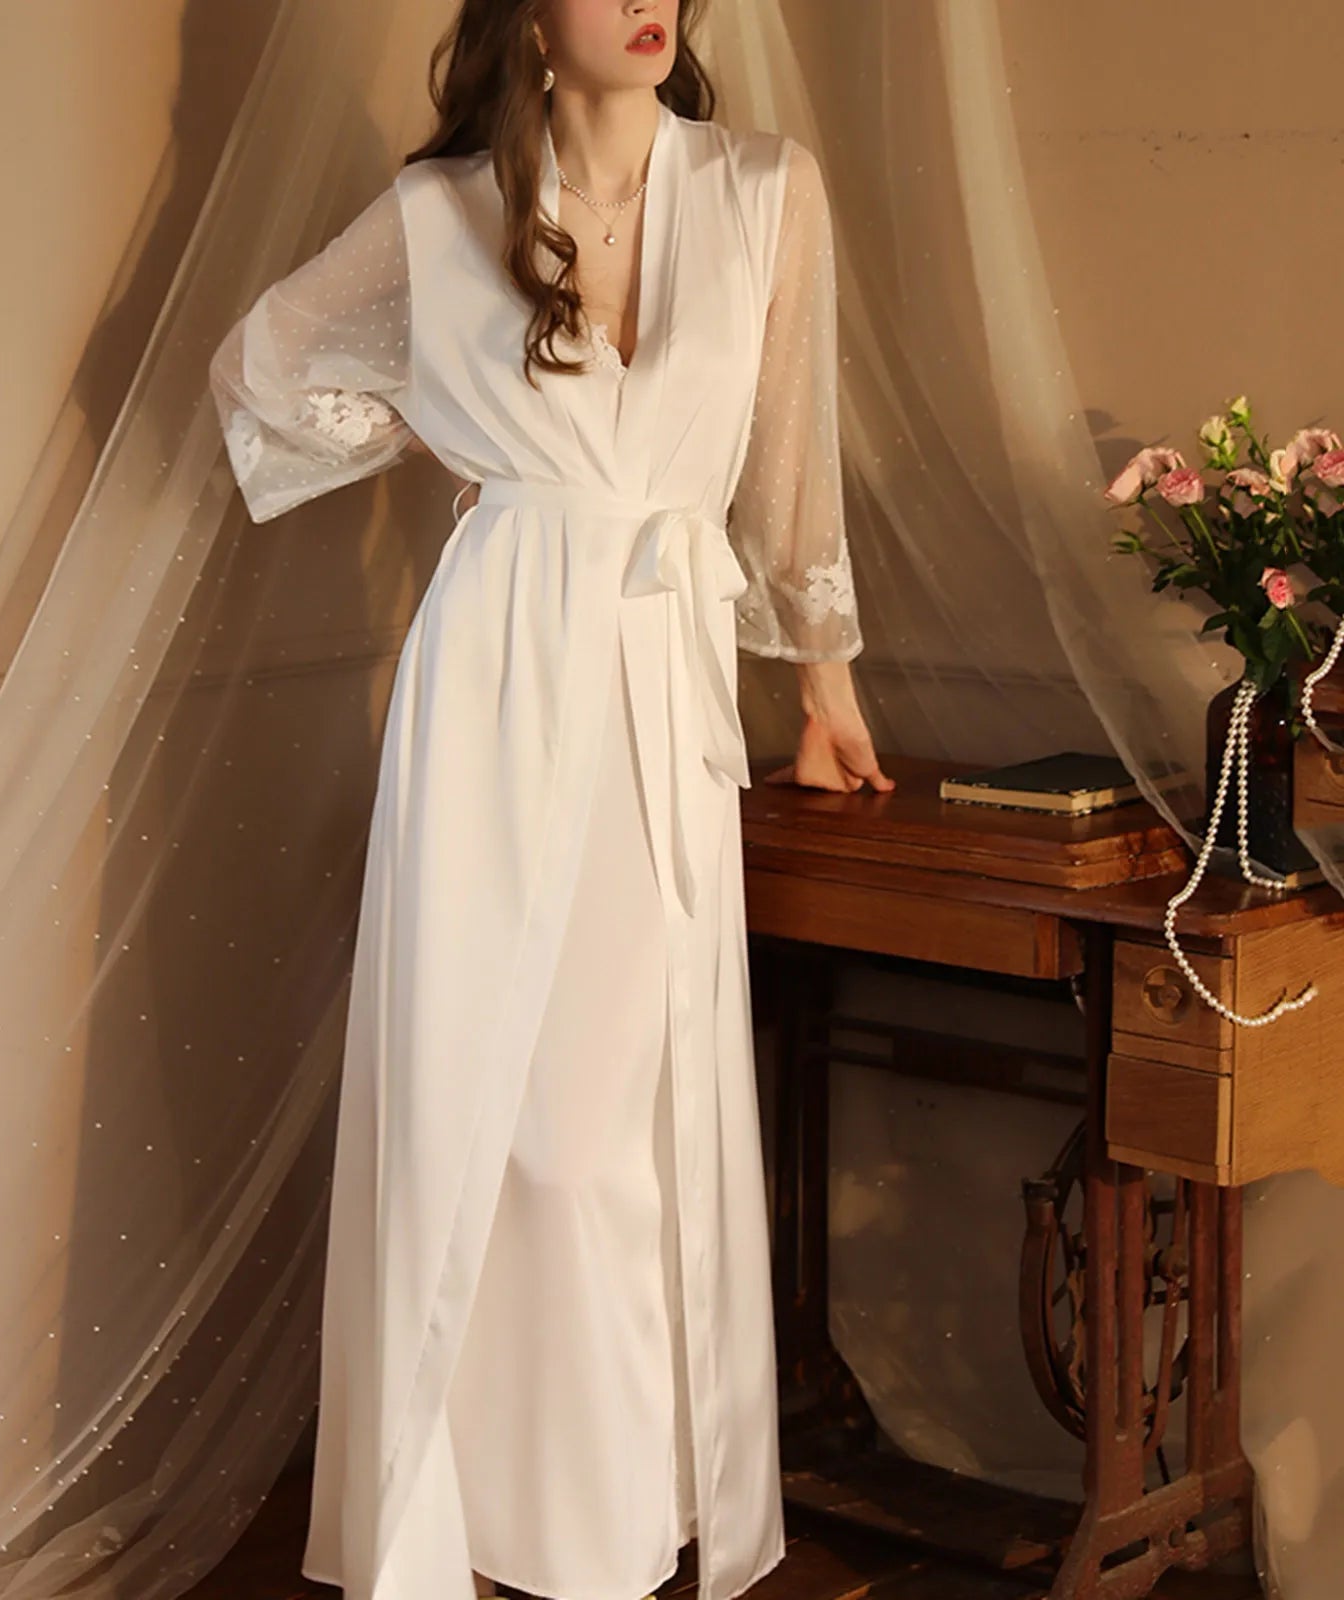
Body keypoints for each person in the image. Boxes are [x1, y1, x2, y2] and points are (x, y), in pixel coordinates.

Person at [208, 2, 892, 1597]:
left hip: (663, 685)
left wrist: (827, 692)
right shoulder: (440, 217)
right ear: (528, 16)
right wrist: (452, 424)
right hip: (494, 680)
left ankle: (604, 1530)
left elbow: (791, 462)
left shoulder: (767, 191)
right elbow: (260, 368)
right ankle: (500, 1530)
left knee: (617, 1128)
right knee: (491, 1110)